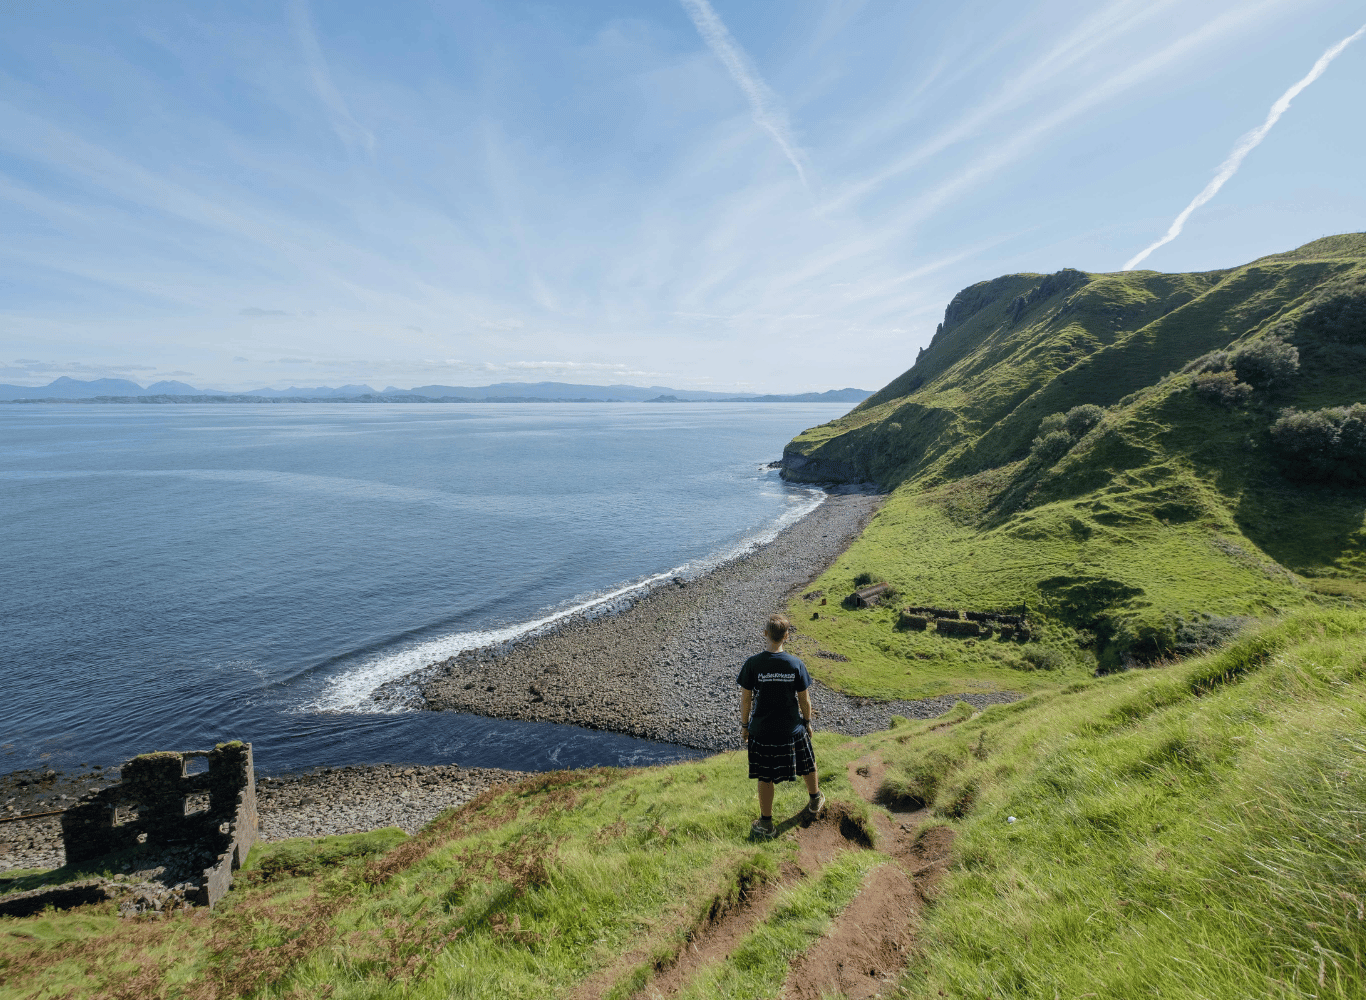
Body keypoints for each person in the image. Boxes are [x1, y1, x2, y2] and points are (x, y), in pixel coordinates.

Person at [736, 614, 824, 839]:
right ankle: (815, 800)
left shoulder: (753, 664)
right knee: (807, 762)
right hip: (792, 730)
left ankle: (766, 824)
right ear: (786, 636)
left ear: (765, 634)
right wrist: (807, 723)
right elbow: (805, 700)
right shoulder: (796, 664)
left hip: (761, 732)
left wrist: (745, 726)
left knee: (765, 777)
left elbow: (746, 700)